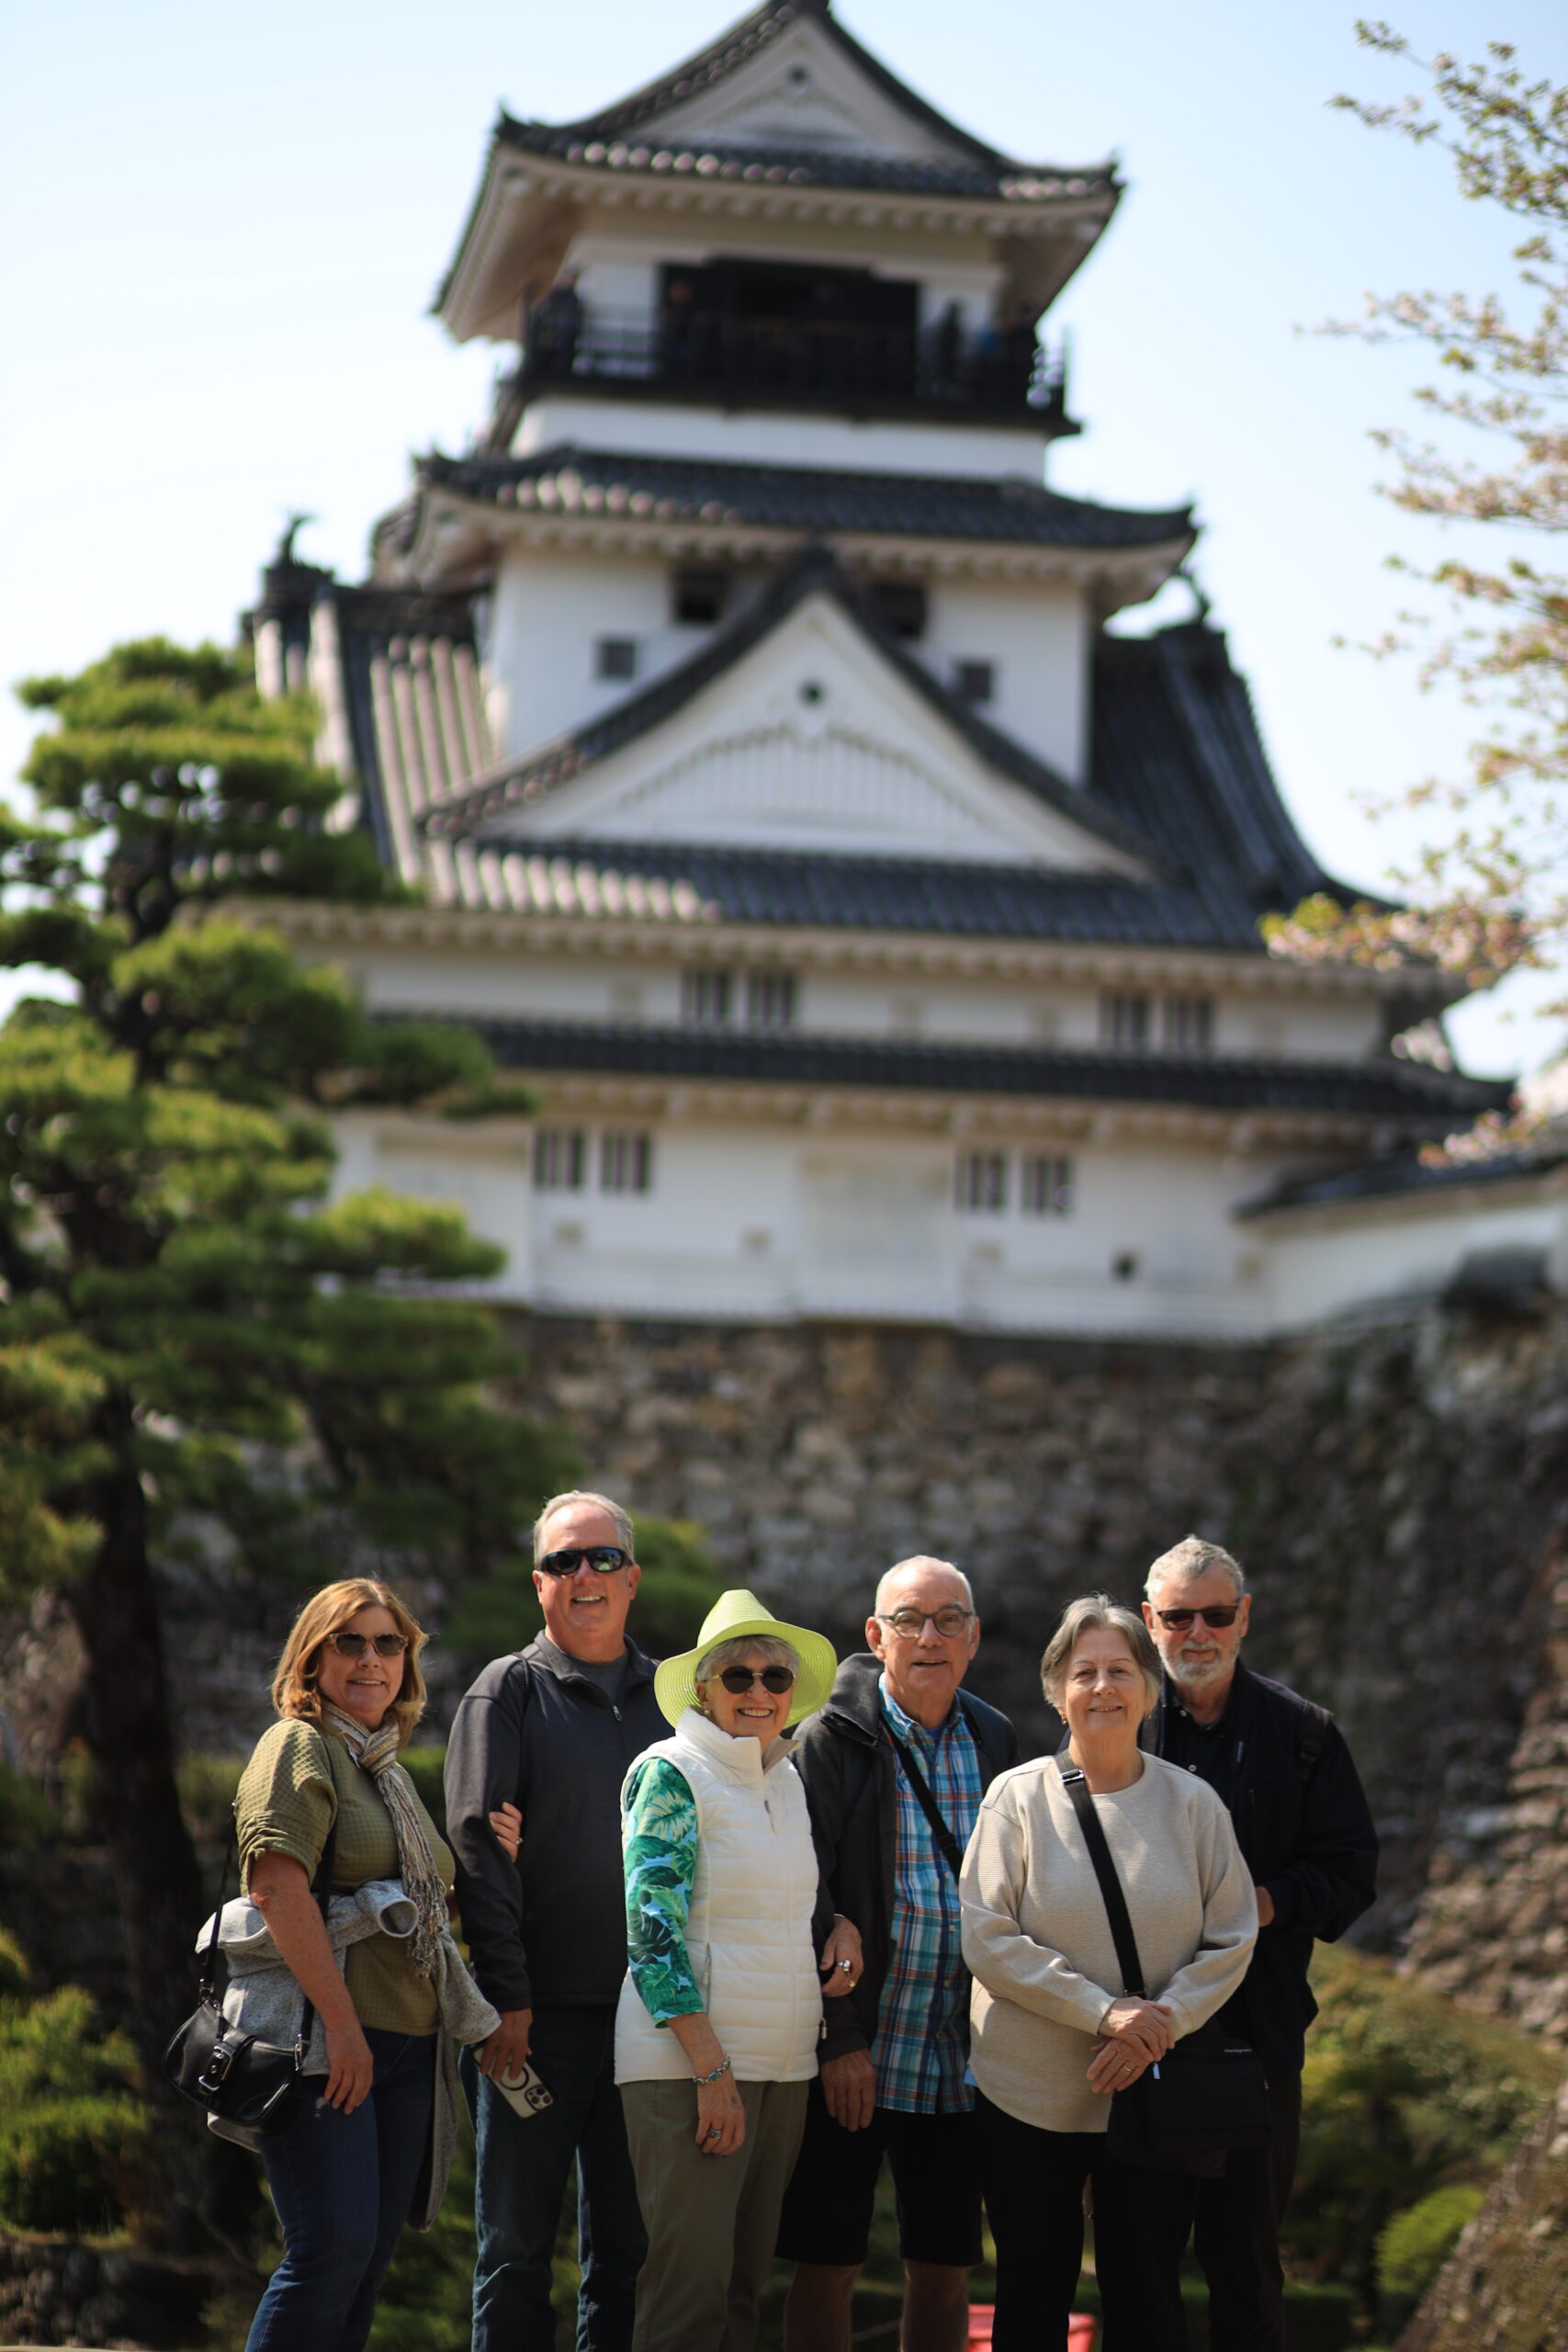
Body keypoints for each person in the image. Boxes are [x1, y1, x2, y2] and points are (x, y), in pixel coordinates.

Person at [962, 1593, 1258, 2352]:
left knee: (1148, 2299)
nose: (1103, 1688)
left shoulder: (1193, 1805)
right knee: (1030, 2298)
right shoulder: (1015, 1799)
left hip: (1154, 2089)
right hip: (1027, 2092)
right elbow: (987, 1936)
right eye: (1084, 1671)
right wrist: (1104, 2014)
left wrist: (1158, 2026)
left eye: (1120, 1670)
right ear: (1056, 1691)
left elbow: (1230, 1935)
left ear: (1149, 1688)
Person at [235, 1577, 504, 2352]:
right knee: (330, 2256)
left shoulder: (384, 1766)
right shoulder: (299, 1744)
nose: (370, 1659)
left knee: (367, 2268)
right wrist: (343, 2031)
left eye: (389, 1643)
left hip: (409, 2047)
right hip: (329, 2043)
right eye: (348, 1641)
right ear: (311, 1658)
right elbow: (277, 1886)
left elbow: (412, 1895)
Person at [1141, 1535, 1379, 2352]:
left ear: (1243, 1618)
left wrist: (1259, 1905)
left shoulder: (1304, 1734)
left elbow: (1350, 1874)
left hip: (1257, 2045)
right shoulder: (1110, 1725)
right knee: (1139, 2281)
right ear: (1149, 1622)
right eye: (1177, 1616)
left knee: (1247, 2281)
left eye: (1213, 1614)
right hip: (1138, 2040)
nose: (1195, 1632)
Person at [444, 1489, 668, 2352]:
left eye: (602, 1558)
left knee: (628, 2258)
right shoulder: (506, 1691)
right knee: (514, 2255)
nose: (585, 1575)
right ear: (538, 1583)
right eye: (563, 1561)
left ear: (632, 1578)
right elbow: (474, 1845)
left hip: (650, 2021)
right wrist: (506, 1996)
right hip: (530, 2025)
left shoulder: (674, 1699)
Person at [778, 1555, 1019, 2352]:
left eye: (949, 1619)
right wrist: (838, 2038)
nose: (930, 1636)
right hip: (860, 2042)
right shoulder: (830, 1738)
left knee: (945, 2265)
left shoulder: (994, 1736)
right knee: (827, 2261)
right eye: (910, 1620)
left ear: (973, 1637)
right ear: (877, 1636)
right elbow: (799, 1889)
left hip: (957, 2049)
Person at [615, 1589, 863, 2352]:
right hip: (692, 2065)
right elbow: (650, 1934)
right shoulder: (669, 1772)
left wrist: (838, 1924)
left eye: (775, 1679)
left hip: (781, 2066)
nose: (759, 1692)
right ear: (702, 1689)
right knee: (686, 2305)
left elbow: (780, 1906)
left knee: (740, 2300)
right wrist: (709, 2067)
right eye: (739, 1677)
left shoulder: (784, 1776)